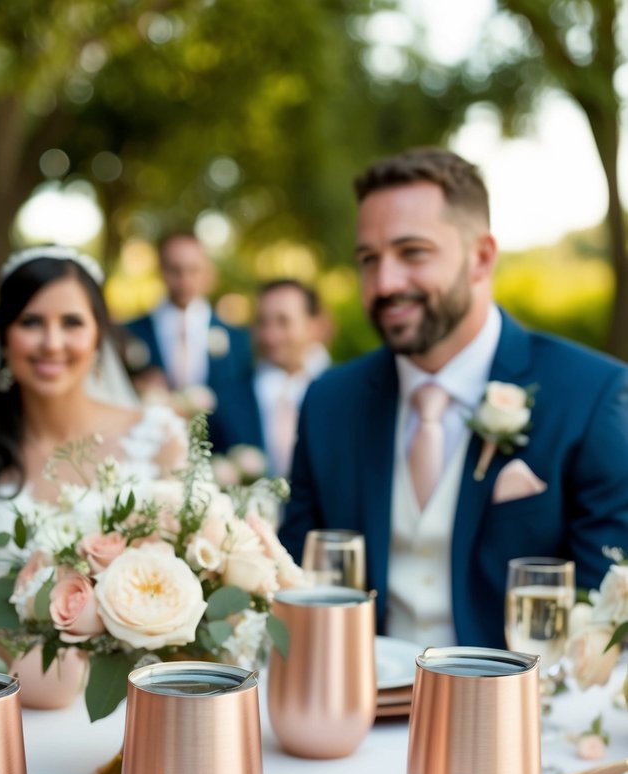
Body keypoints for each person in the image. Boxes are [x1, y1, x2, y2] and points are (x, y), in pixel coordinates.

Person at [280, 147, 628, 649]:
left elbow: (607, 607)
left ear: (481, 257)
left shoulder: (591, 394)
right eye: (368, 260)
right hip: (359, 713)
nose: (384, 283)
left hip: (526, 713)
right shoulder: (328, 402)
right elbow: (294, 581)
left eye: (412, 253)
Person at [0, 246, 187, 584]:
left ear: (98, 337)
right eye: (31, 322)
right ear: (4, 337)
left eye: (72, 323)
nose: (52, 343)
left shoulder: (158, 437)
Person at [208, 278, 330, 477]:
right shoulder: (227, 399)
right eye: (262, 322)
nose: (270, 336)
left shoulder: (340, 391)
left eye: (283, 322)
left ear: (312, 325)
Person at [123, 231, 251, 398]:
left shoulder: (237, 339)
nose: (185, 280)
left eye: (193, 269)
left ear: (207, 271)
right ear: (160, 270)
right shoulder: (129, 334)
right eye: (175, 270)